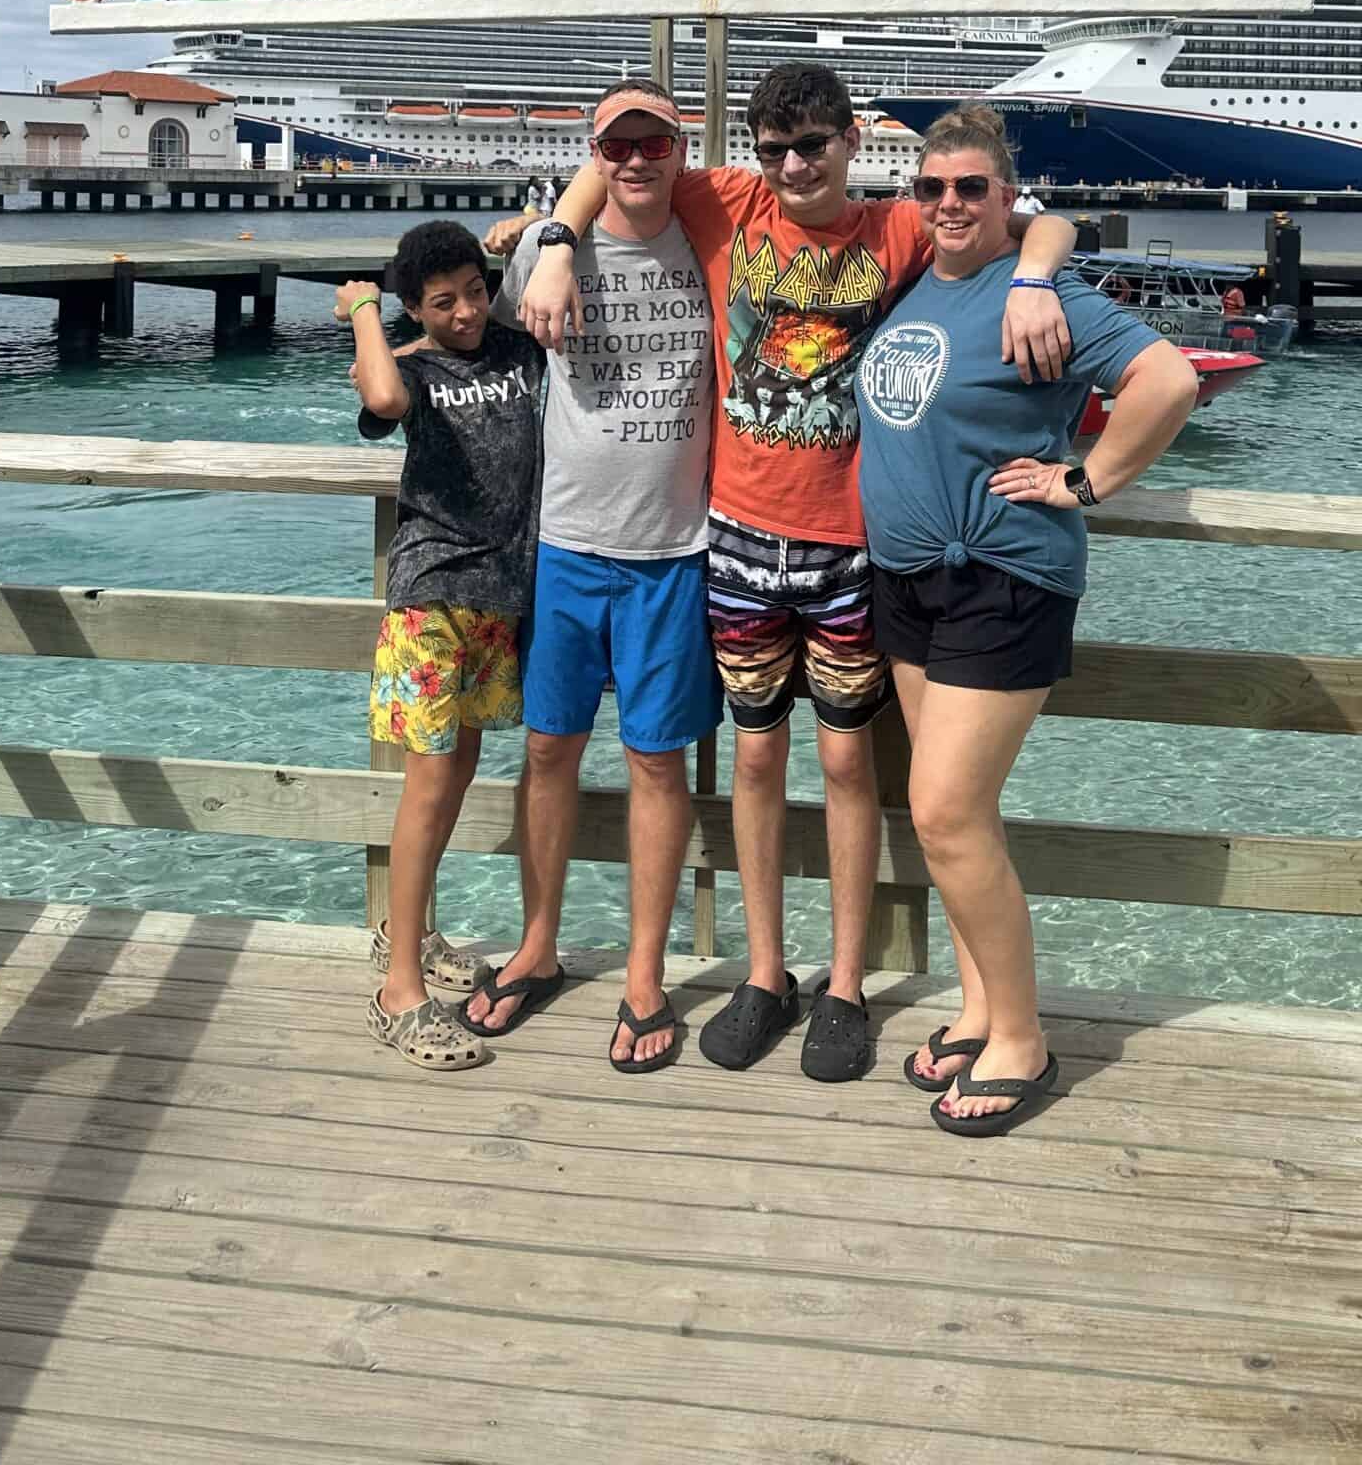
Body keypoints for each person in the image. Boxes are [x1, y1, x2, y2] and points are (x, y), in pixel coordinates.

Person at [512, 62, 1077, 1084]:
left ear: (852, 142)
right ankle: (767, 971)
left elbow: (1039, 223)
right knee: (758, 761)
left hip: (846, 545)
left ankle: (847, 980)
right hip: (736, 534)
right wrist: (555, 244)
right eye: (773, 148)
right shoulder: (726, 199)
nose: (791, 165)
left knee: (853, 764)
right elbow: (611, 164)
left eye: (811, 146)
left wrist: (1037, 273)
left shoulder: (900, 228)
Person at [857, 104, 1197, 1134]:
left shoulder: (1035, 290)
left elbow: (1167, 379)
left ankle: (1024, 1041)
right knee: (954, 817)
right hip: (908, 580)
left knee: (947, 813)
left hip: (999, 576)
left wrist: (1084, 480)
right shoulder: (925, 279)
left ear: (1009, 198)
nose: (951, 203)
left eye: (972, 187)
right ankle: (979, 1006)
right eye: (934, 187)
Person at [465, 79, 719, 1068]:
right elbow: (464, 336)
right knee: (546, 752)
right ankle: (538, 945)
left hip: (674, 549)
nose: (637, 159)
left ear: (681, 149)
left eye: (655, 141)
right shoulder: (544, 250)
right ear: (595, 151)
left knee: (657, 761)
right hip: (566, 545)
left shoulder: (709, 239)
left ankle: (647, 973)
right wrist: (547, 237)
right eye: (618, 144)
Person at [337, 221, 545, 1072]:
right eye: (441, 302)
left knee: (456, 771)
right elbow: (382, 403)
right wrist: (364, 312)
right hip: (431, 598)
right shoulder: (411, 369)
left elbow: (565, 284)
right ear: (415, 308)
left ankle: (415, 931)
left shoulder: (519, 350)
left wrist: (538, 228)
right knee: (427, 784)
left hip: (502, 597)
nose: (463, 312)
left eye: (472, 290)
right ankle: (398, 991)